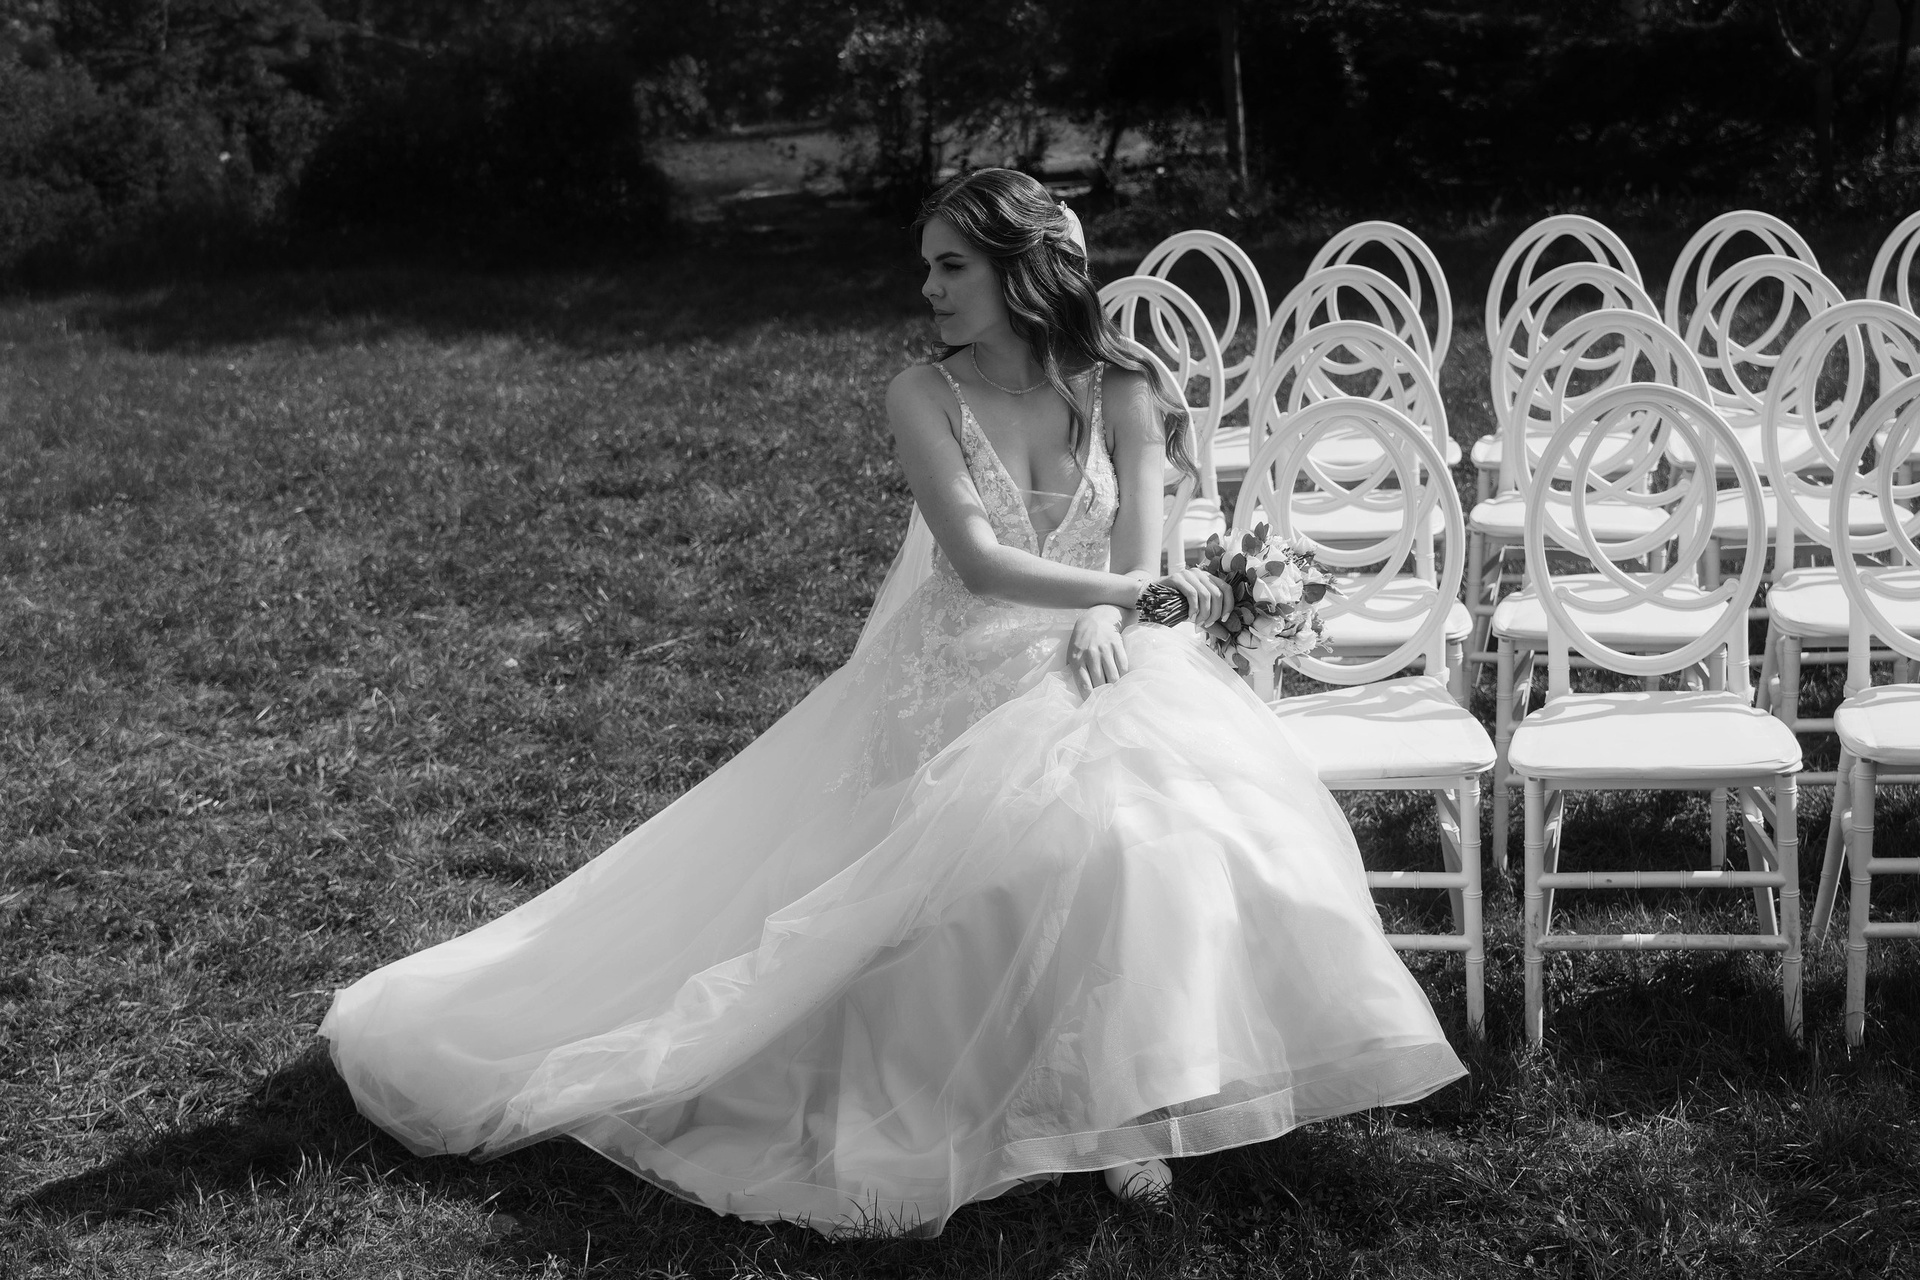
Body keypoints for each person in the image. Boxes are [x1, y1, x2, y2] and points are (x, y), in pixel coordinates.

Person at [320, 168, 1466, 1238]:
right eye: (927, 266)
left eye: (950, 265)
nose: (928, 289)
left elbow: (1141, 544)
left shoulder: (1123, 386)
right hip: (962, 659)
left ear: (1022, 268)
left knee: (1160, 823)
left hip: (1102, 640)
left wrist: (1115, 616)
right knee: (1039, 836)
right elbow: (978, 562)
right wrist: (1134, 597)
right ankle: (1045, 1094)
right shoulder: (923, 392)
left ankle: (1130, 1101)